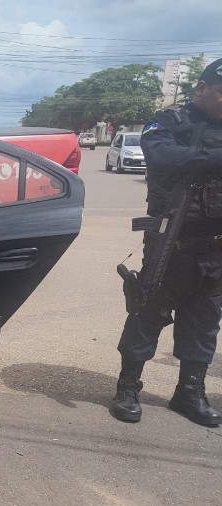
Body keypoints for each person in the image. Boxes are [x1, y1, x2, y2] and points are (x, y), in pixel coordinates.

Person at [113, 57, 222, 427]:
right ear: (201, 88)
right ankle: (128, 386)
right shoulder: (170, 121)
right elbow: (162, 156)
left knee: (205, 322)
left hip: (216, 246)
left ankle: (189, 392)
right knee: (149, 311)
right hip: (172, 241)